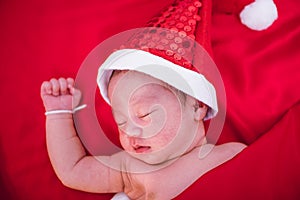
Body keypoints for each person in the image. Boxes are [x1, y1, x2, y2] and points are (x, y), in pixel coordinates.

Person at [41, 0, 247, 199]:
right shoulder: (130, 167)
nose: (129, 131)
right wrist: (58, 113)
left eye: (144, 114)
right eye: (121, 123)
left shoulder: (233, 155)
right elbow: (73, 170)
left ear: (198, 106)